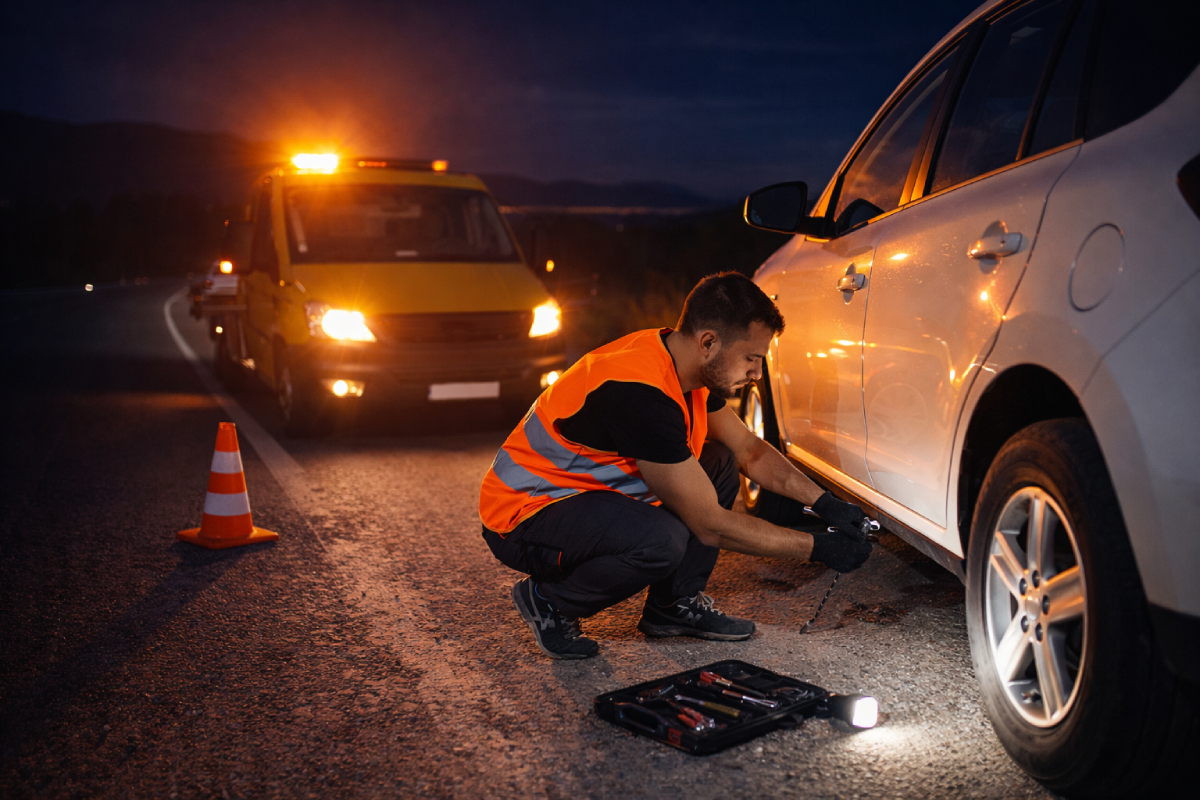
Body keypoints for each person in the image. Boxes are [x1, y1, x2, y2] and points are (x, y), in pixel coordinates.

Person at [478, 272, 874, 660]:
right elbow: (711, 525)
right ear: (708, 342)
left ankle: (673, 606)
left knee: (717, 461)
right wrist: (818, 548)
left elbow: (748, 450)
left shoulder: (684, 364)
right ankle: (550, 601)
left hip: (582, 497)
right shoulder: (640, 393)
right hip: (525, 516)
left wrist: (824, 503)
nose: (756, 374)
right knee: (660, 541)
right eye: (751, 358)